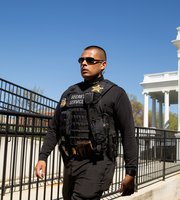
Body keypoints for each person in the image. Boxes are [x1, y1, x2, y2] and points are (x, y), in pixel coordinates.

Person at [35, 45, 138, 200]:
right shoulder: (70, 92)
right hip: (71, 162)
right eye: (81, 60)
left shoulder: (116, 93)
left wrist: (131, 171)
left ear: (103, 65)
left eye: (90, 60)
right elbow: (54, 127)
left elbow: (128, 133)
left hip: (97, 164)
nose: (84, 63)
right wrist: (43, 157)